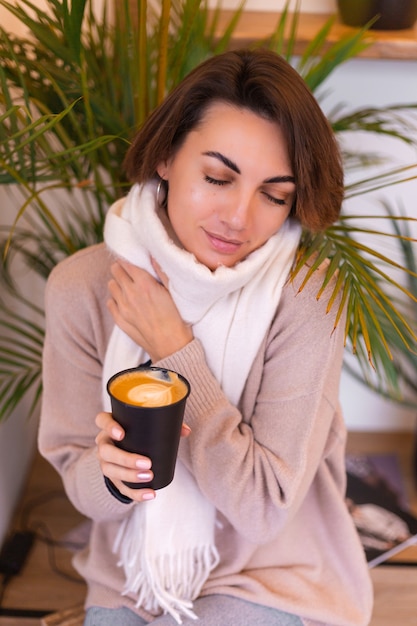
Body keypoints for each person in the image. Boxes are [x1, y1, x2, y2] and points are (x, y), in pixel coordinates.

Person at [38, 48, 373, 626]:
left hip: (275, 573)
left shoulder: (308, 299)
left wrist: (175, 349)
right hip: (129, 577)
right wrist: (113, 477)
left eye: (275, 195)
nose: (239, 218)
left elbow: (264, 509)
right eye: (218, 178)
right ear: (166, 157)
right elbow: (80, 483)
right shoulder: (83, 288)